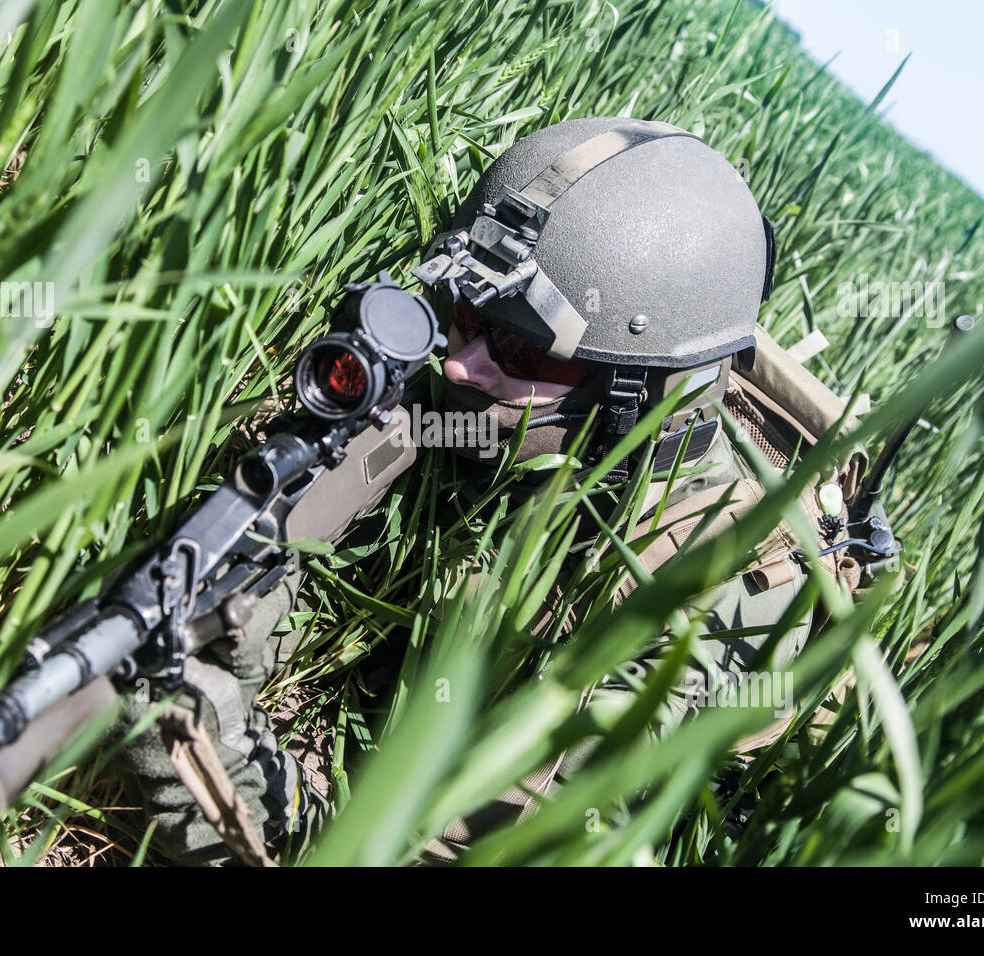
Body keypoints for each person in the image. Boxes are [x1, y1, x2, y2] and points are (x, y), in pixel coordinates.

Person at [117, 117, 870, 865]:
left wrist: (217, 772)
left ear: (635, 393)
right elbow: (334, 545)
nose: (458, 367)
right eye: (466, 315)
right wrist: (242, 592)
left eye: (517, 347)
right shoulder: (506, 406)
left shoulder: (701, 590)